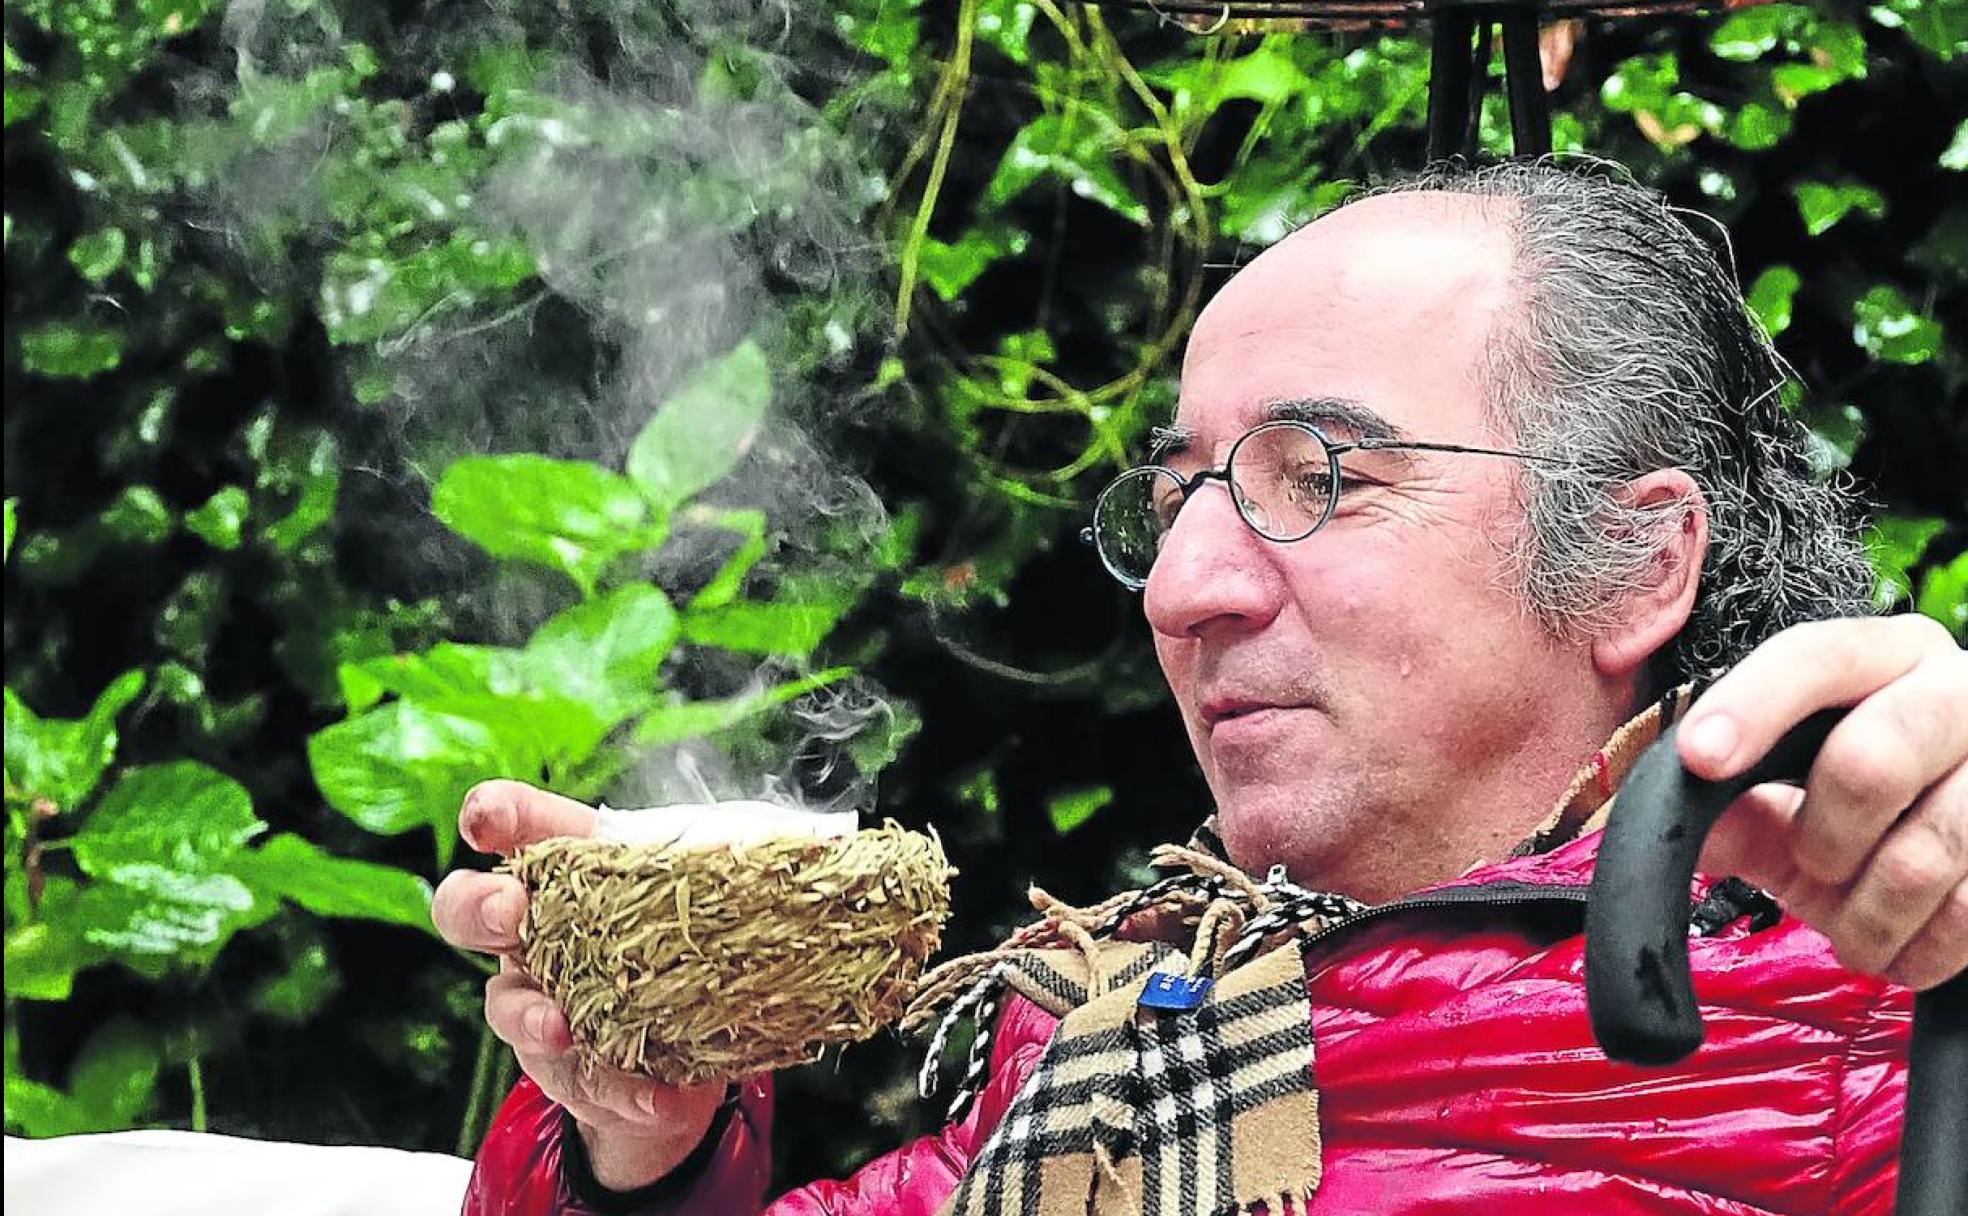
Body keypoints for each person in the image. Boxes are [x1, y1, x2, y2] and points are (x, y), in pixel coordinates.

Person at [436, 161, 1967, 1215]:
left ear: (1637, 564)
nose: (1183, 587)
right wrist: (638, 1154)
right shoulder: (1113, 1032)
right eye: (1180, 495)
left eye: (1320, 477)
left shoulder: (1879, 1017)